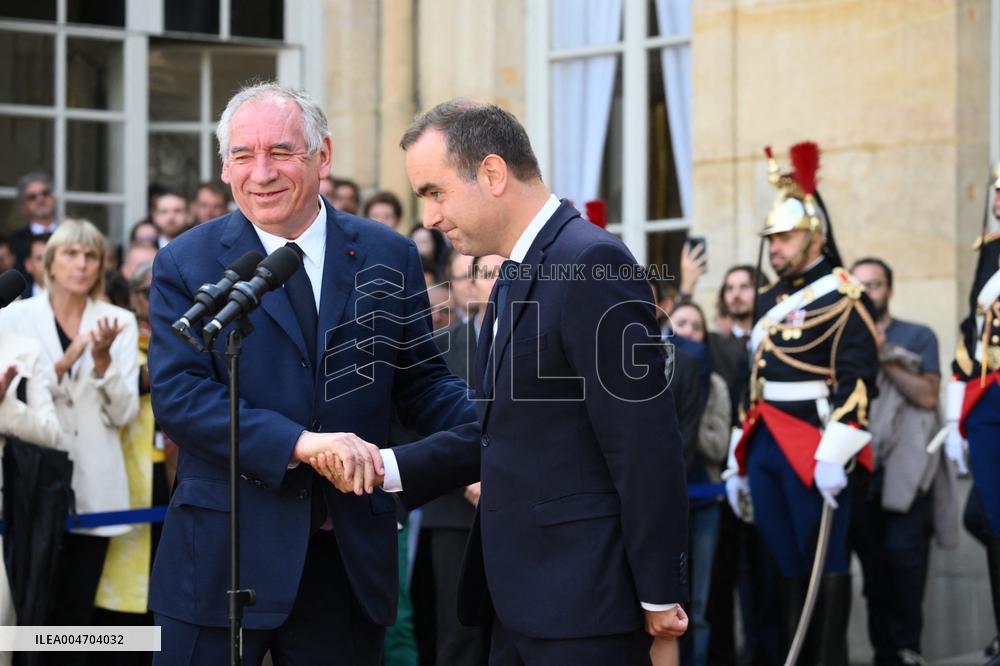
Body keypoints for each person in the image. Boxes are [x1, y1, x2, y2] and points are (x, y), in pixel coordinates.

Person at [317, 99, 690, 665]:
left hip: (587, 607)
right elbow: (503, 430)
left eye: (435, 192)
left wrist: (660, 592)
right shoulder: (514, 274)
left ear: (492, 173)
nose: (431, 219)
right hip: (520, 603)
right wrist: (383, 469)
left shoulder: (591, 263)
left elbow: (644, 444)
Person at [146, 82, 474, 665]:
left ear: (322, 155)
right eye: (242, 156)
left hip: (344, 557)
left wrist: (489, 434)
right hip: (224, 557)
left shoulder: (386, 253)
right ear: (224, 169)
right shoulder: (185, 262)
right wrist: (300, 444)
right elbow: (180, 398)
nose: (261, 172)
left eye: (281, 152)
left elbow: (421, 381)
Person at [724, 143, 879, 664]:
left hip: (814, 444)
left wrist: (837, 453)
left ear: (814, 237)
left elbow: (858, 378)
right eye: (771, 239)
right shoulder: (769, 300)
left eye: (785, 237)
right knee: (784, 560)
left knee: (823, 560)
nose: (775, 248)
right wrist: (735, 458)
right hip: (766, 439)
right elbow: (753, 380)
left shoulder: (843, 296)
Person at [0, 219, 139, 653]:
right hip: (28, 481)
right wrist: (69, 358)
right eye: (70, 254)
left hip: (94, 486)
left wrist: (100, 364)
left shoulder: (119, 320)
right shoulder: (14, 315)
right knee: (27, 613)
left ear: (101, 266)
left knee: (78, 620)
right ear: (49, 264)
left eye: (91, 255)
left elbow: (124, 412)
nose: (81, 264)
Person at [848, 257, 957, 666]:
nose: (867, 293)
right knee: (875, 577)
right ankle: (884, 655)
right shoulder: (843, 340)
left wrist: (884, 354)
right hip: (861, 476)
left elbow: (927, 396)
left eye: (874, 285)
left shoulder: (918, 335)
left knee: (905, 567)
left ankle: (908, 650)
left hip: (909, 478)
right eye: (859, 286)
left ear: (889, 290)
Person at [412, 254, 502, 666]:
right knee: (458, 633)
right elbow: (423, 419)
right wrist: (468, 476)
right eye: (481, 275)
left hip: (520, 509)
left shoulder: (539, 342)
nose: (494, 282)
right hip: (454, 512)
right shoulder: (441, 348)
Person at [947, 161, 1000, 666]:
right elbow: (972, 327)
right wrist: (953, 409)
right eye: (998, 191)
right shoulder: (990, 250)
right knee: (992, 516)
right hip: (988, 394)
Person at [10, 172, 58, 297]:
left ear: (53, 198)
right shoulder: (14, 243)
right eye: (32, 197)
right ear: (23, 207)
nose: (40, 199)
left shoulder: (70, 236)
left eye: (45, 193)